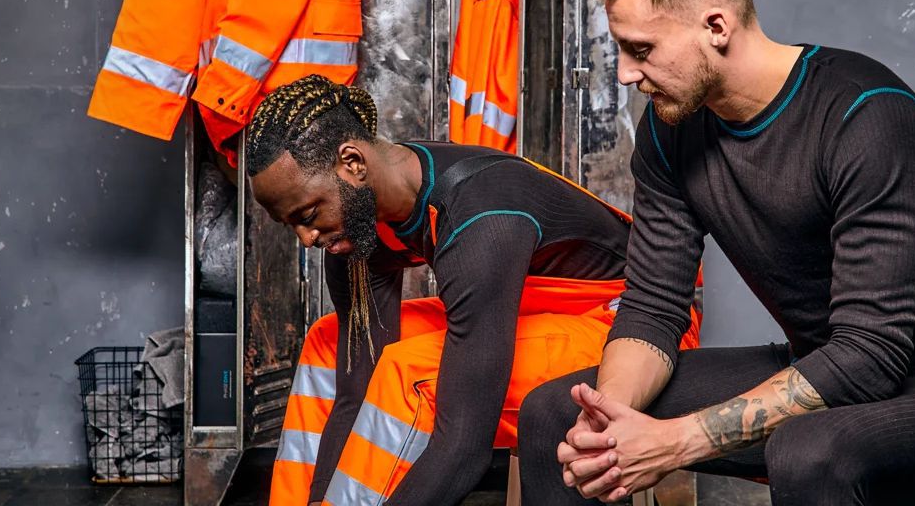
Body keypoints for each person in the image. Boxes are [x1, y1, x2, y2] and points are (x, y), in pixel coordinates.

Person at [516, 0, 915, 504]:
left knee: (806, 451)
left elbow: (872, 354)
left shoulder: (866, 114)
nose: (625, 72)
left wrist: (675, 441)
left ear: (716, 26)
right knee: (554, 415)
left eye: (642, 49)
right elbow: (654, 307)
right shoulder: (670, 128)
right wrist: (612, 419)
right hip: (819, 362)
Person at [247, 75, 700, 505]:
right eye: (291, 224)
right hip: (526, 313)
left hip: (637, 333)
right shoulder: (356, 222)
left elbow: (464, 447)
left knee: (409, 373)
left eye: (307, 215)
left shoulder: (480, 216)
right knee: (329, 343)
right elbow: (354, 388)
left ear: (352, 164)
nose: (305, 239)